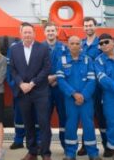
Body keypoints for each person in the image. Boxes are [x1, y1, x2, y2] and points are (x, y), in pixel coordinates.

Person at [8, 23, 51, 160]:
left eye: (29, 32)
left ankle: (45, 153)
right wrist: (20, 83)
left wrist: (32, 83)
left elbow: (46, 69)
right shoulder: (14, 50)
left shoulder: (43, 48)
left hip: (40, 92)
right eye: (25, 32)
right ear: (21, 33)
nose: (27, 35)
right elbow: (12, 69)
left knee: (44, 123)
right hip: (23, 93)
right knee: (28, 123)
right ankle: (32, 152)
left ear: (34, 34)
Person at [55, 36, 99, 160]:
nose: (74, 46)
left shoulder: (88, 60)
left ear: (81, 45)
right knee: (71, 125)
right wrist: (74, 94)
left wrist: (83, 96)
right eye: (72, 43)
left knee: (89, 125)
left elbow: (92, 80)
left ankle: (93, 153)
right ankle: (70, 153)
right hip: (70, 99)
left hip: (86, 99)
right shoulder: (62, 60)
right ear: (68, 45)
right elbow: (61, 80)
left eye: (77, 43)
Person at [80, 17, 108, 157]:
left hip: (100, 86)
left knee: (103, 117)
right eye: (86, 26)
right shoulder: (81, 44)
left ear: (95, 26)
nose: (88, 28)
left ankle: (107, 146)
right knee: (87, 117)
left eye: (90, 25)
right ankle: (85, 145)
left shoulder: (101, 43)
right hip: (85, 87)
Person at [43, 23, 68, 152]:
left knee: (63, 116)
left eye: (53, 30)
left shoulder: (64, 48)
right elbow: (35, 68)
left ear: (56, 32)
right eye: (48, 31)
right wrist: (45, 79)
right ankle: (45, 148)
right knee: (44, 118)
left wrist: (56, 78)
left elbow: (68, 67)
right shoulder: (39, 48)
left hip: (60, 87)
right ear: (44, 32)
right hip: (44, 89)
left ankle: (66, 146)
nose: (51, 33)